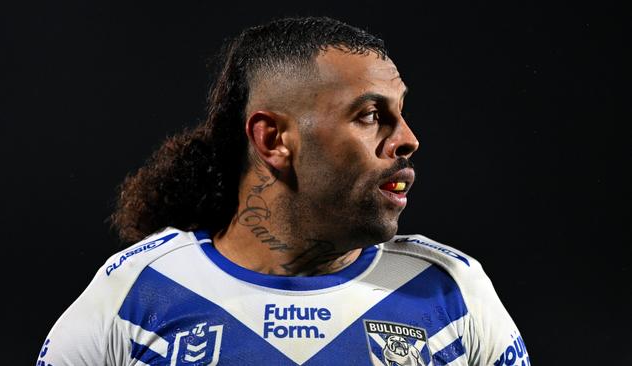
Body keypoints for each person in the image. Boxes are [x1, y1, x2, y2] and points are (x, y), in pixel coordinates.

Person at [37, 16, 530, 366]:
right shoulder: (134, 293)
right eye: (371, 115)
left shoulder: (454, 291)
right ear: (273, 139)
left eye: (401, 113)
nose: (407, 140)